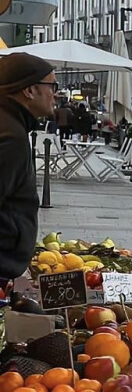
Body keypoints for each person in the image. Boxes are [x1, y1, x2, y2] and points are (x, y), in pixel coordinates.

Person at [0, 55, 57, 286]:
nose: (55, 93)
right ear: (30, 90)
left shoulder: (10, 123)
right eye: (52, 86)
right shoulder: (10, 135)